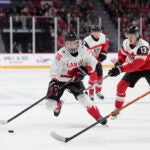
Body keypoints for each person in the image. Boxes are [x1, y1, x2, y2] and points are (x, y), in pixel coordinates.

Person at [45, 32, 107, 125]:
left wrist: (84, 71)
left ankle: (98, 116)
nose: (72, 45)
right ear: (65, 44)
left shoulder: (84, 50)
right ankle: (58, 105)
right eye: (69, 43)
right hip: (60, 80)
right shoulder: (61, 54)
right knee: (49, 105)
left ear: (78, 42)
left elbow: (93, 63)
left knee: (84, 99)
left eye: (74, 42)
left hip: (76, 80)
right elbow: (54, 73)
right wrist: (54, 84)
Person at [108, 25, 150, 119]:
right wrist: (119, 62)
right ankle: (117, 109)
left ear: (138, 35)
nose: (130, 37)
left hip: (148, 68)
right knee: (121, 86)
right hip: (134, 69)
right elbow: (122, 54)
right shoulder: (126, 42)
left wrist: (120, 69)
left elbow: (136, 64)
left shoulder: (143, 46)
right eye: (128, 35)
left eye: (132, 35)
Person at [82, 25, 109, 101]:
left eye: (98, 31)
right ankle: (91, 93)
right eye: (94, 32)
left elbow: (106, 44)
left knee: (100, 77)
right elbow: (83, 53)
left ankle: (98, 91)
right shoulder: (86, 41)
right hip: (89, 62)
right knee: (93, 77)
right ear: (91, 32)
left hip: (97, 60)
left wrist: (103, 53)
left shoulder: (103, 37)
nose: (96, 33)